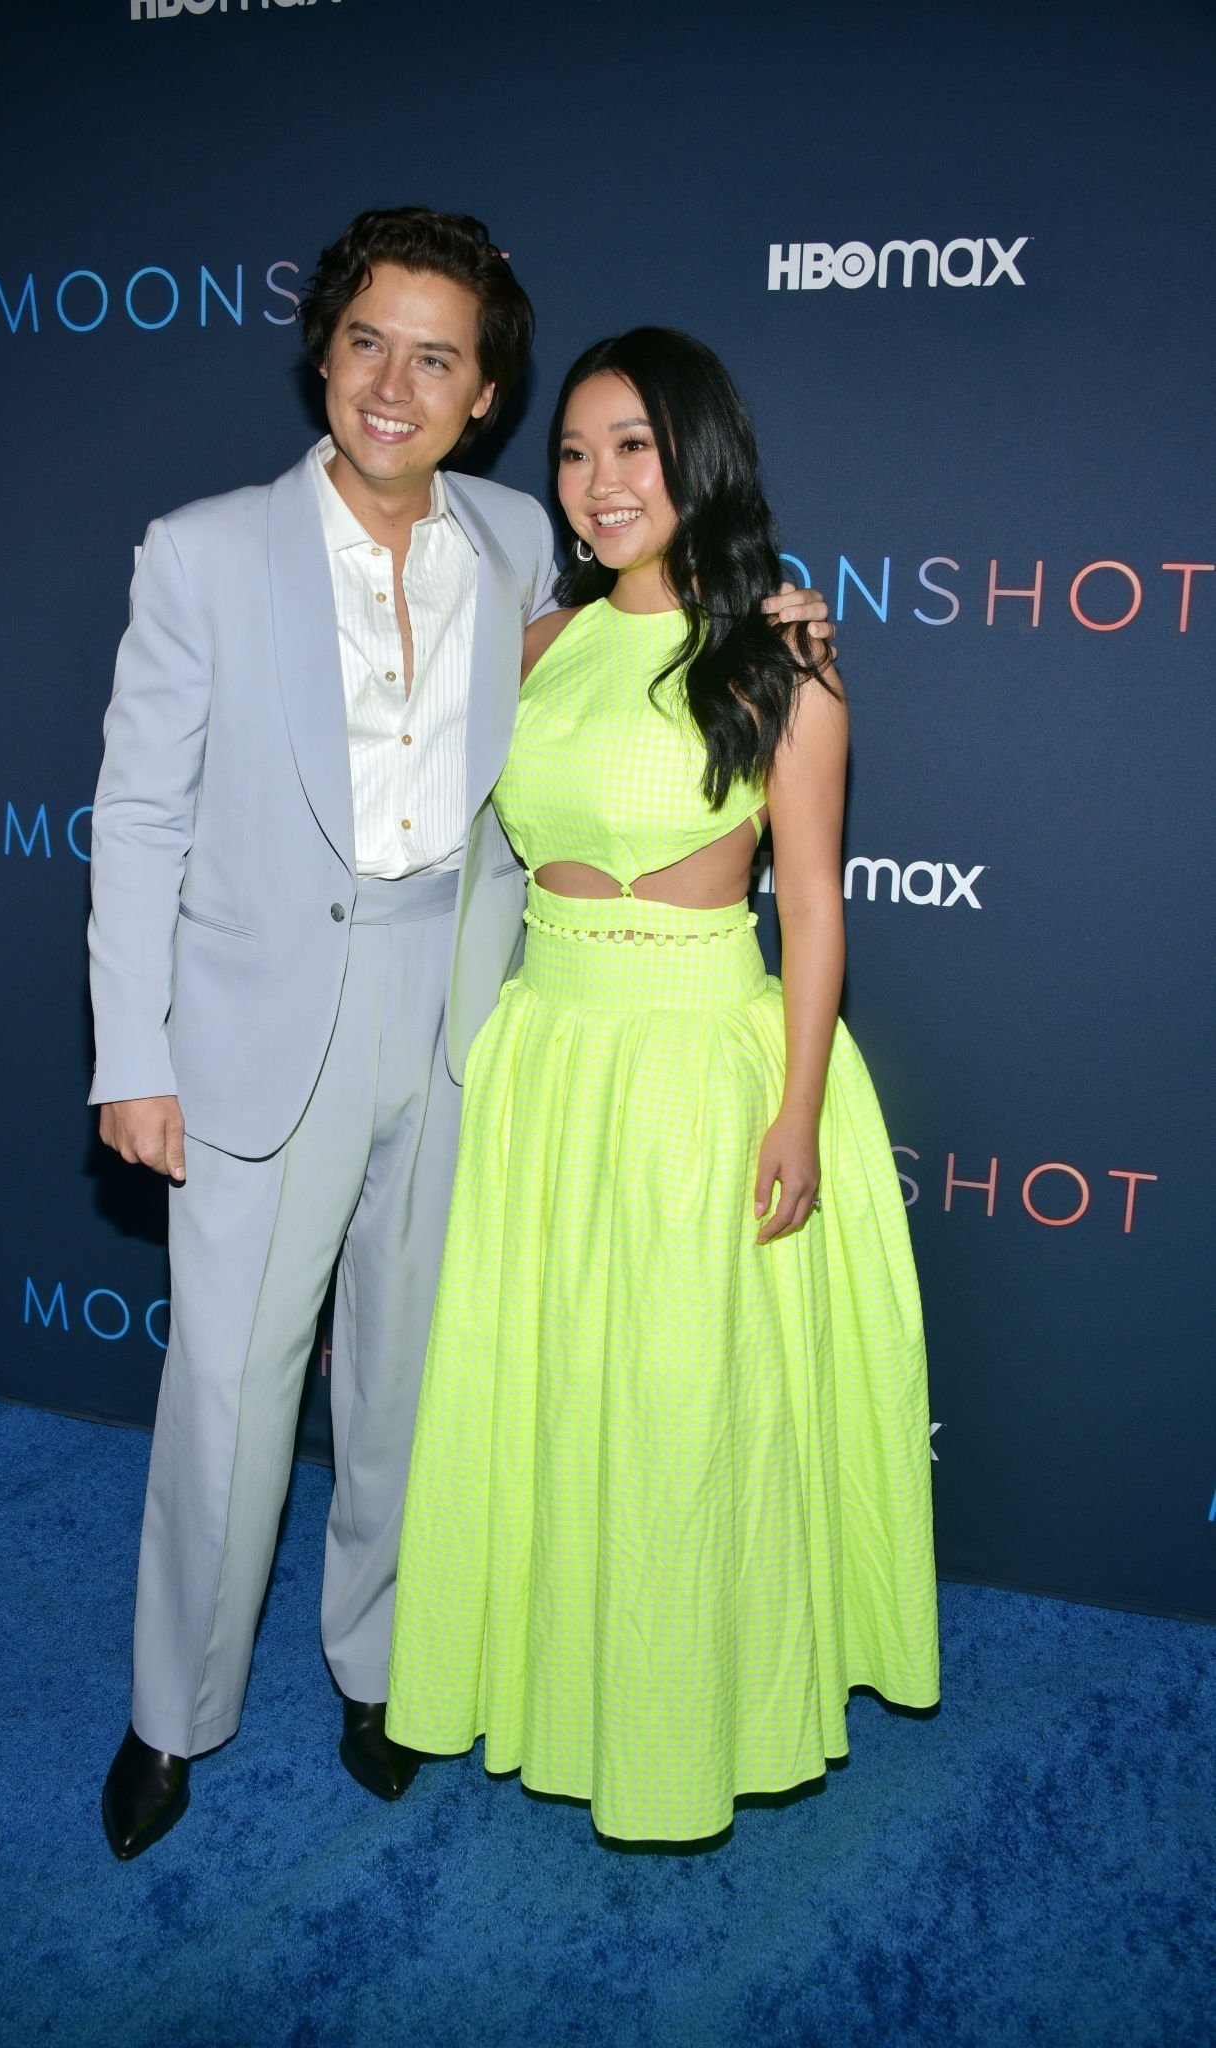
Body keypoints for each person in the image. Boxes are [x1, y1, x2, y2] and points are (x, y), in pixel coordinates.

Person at [87, 212, 834, 1858]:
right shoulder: (202, 551)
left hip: (473, 1020)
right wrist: (130, 1054)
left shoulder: (518, 543)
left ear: (484, 395)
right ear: (323, 351)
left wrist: (767, 612)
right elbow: (134, 815)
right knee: (226, 1392)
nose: (393, 384)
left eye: (437, 358)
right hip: (254, 1032)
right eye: (367, 341)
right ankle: (173, 1719)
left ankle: (384, 1673)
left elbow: (658, 632)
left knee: (413, 1384)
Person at [386, 328, 940, 1843]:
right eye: (573, 451)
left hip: (699, 1069)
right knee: (551, 1392)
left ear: (699, 456)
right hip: (546, 1062)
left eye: (632, 445)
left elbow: (811, 905)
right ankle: (553, 1680)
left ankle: (687, 1715)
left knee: (683, 1414)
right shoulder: (537, 646)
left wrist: (797, 1110)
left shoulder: (779, 657)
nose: (598, 481)